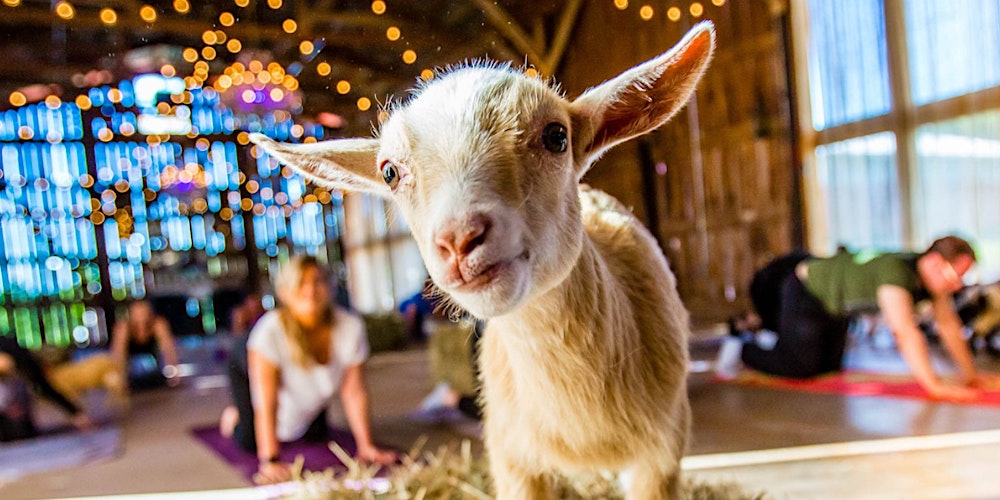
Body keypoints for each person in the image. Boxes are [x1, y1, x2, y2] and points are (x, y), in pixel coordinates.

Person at [725, 236, 1000, 401]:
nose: (957, 286)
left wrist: (971, 376)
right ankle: (743, 348)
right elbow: (904, 331)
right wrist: (934, 386)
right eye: (955, 276)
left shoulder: (929, 281)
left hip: (838, 307)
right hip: (806, 291)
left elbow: (949, 326)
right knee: (801, 367)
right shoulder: (897, 273)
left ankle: (773, 337)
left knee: (829, 367)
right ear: (934, 262)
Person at [220, 255, 396, 484]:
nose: (311, 289)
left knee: (315, 434)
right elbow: (267, 401)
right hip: (245, 362)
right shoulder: (269, 332)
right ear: (284, 291)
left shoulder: (350, 327)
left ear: (330, 287)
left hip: (308, 380)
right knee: (250, 440)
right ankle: (233, 416)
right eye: (301, 283)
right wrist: (271, 459)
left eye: (318, 281)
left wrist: (366, 446)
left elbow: (353, 391)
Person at [0, 336, 94, 441]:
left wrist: (75, 413)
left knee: (39, 387)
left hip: (16, 358)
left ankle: (78, 415)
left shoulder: (17, 357)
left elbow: (43, 386)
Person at [110, 299, 180, 389]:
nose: (141, 317)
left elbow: (169, 350)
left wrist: (174, 374)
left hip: (154, 366)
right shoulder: (123, 328)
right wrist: (119, 381)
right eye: (137, 314)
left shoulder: (158, 324)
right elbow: (118, 355)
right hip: (130, 368)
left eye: (143, 313)